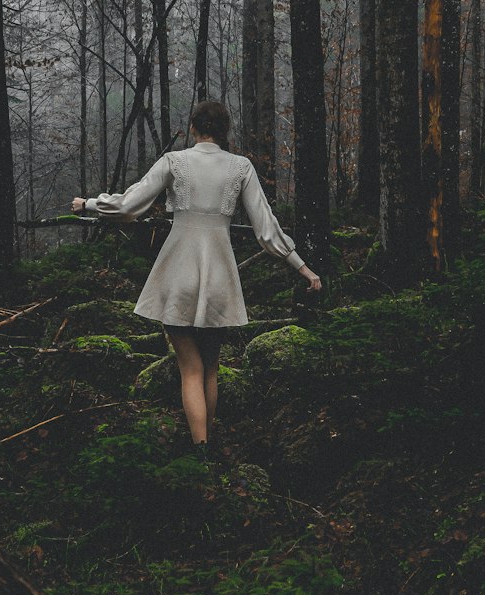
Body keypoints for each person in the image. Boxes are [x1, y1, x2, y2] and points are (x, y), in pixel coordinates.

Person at [73, 100, 322, 450]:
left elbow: (130, 205)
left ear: (193, 128)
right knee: (210, 368)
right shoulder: (241, 167)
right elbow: (266, 230)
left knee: (189, 367)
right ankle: (209, 444)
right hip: (219, 272)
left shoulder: (176, 161)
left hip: (179, 270)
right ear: (225, 131)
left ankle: (201, 449)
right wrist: (302, 267)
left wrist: (90, 204)